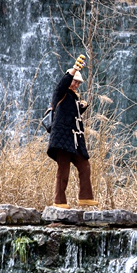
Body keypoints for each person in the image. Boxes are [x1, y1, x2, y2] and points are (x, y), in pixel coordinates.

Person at [47, 55, 98, 209]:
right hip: (62, 139)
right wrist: (74, 69)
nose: (76, 84)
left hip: (74, 140)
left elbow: (70, 115)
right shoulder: (61, 93)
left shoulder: (73, 97)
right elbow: (62, 84)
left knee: (84, 166)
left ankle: (85, 197)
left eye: (77, 82)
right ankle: (59, 201)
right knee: (63, 170)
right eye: (74, 81)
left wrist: (81, 107)